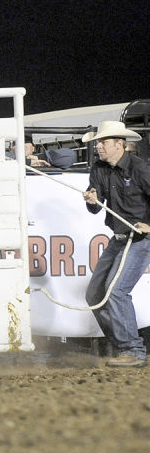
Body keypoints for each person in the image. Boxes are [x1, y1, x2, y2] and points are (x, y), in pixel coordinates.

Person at [80, 120, 150, 368]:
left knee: (116, 291)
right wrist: (92, 200)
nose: (99, 146)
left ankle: (132, 349)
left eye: (103, 142)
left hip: (141, 239)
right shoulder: (99, 169)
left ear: (119, 144)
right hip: (119, 238)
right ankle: (123, 346)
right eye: (98, 142)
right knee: (94, 294)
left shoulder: (139, 168)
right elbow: (95, 207)